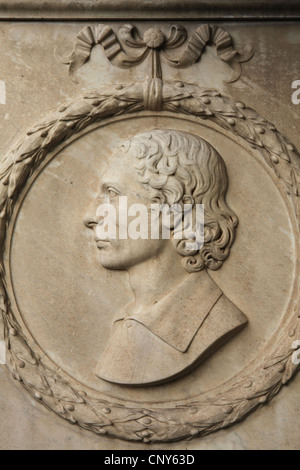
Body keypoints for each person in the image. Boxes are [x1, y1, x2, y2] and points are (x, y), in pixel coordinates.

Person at [84, 129, 247, 386]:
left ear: (173, 210)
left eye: (113, 194)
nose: (91, 217)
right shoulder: (126, 320)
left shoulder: (214, 321)